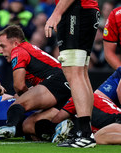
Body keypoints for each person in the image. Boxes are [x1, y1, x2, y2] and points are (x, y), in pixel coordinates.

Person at [0, 25, 71, 140]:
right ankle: (64, 131)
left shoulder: (19, 50)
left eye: (3, 46)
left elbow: (19, 86)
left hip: (59, 80)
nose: (1, 51)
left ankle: (9, 127)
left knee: (17, 104)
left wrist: (26, 97)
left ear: (15, 43)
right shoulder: (29, 50)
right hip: (65, 88)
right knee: (28, 125)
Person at [44, 0, 100, 148]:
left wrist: (56, 13)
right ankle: (85, 132)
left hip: (75, 12)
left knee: (74, 73)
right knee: (81, 73)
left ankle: (86, 134)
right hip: (84, 11)